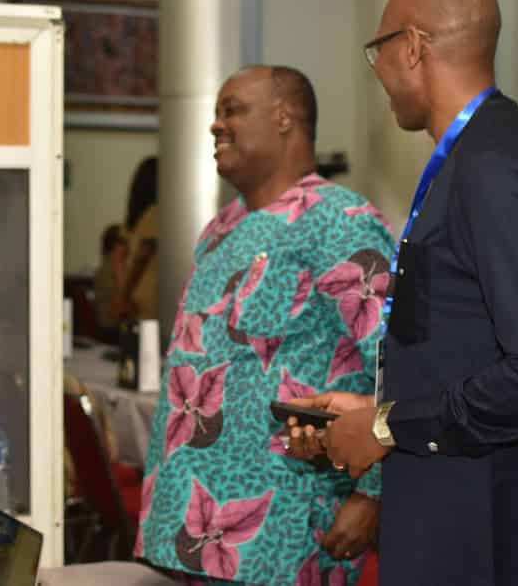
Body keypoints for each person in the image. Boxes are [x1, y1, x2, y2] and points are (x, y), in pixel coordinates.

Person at [288, 0, 518, 586]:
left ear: (412, 46)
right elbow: (471, 350)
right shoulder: (486, 150)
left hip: (490, 539)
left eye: (378, 50)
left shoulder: (490, 165)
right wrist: (376, 412)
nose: (377, 71)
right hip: (467, 517)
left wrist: (387, 426)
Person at [135, 66, 394, 585]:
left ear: (284, 118)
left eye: (232, 110)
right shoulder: (219, 229)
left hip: (281, 537)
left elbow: (396, 366)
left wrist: (374, 495)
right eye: (216, 113)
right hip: (185, 530)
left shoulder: (341, 222)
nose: (215, 125)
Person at [115, 156, 158, 321]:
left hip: (133, 296)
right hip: (151, 295)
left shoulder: (133, 220)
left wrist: (123, 293)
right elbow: (143, 254)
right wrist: (125, 296)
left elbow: (118, 257)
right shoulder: (156, 213)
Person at [94, 224, 129, 343]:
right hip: (111, 332)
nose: (128, 246)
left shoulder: (125, 267)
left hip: (121, 329)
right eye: (124, 242)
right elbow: (119, 309)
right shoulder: (105, 272)